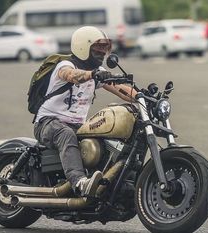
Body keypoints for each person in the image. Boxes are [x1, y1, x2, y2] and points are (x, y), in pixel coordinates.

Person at [34, 26, 137, 197]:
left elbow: (121, 90)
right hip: (48, 122)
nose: (102, 52)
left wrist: (143, 97)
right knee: (66, 134)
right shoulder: (66, 65)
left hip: (78, 126)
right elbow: (70, 75)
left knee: (105, 140)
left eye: (105, 47)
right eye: (98, 47)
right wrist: (92, 74)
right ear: (83, 46)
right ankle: (79, 182)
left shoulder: (99, 72)